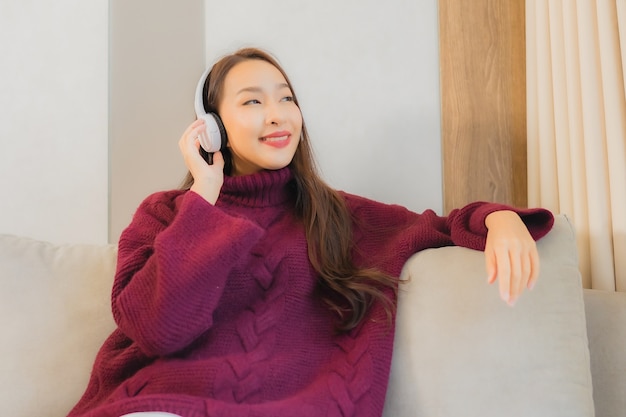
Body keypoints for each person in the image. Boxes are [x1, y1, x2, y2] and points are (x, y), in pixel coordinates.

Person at [68, 47, 554, 417]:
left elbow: (442, 224)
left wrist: (501, 219)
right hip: (158, 407)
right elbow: (159, 328)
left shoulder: (337, 216)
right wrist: (205, 194)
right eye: (253, 101)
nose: (278, 114)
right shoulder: (168, 214)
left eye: (286, 98)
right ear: (211, 127)